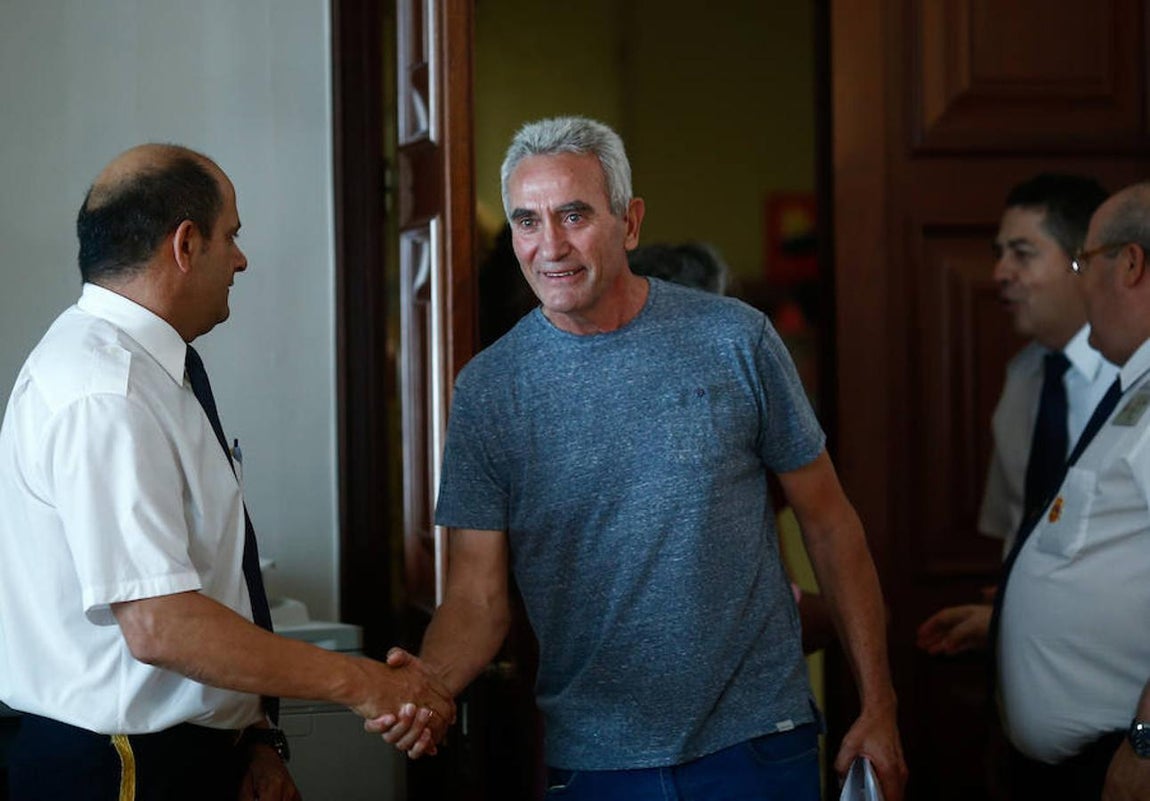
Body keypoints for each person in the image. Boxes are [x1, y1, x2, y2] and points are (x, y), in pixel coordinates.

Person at [374, 116, 907, 800]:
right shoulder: (490, 389)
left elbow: (831, 524)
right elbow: (477, 595)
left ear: (629, 222)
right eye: (527, 221)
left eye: (573, 215)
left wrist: (880, 704)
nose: (551, 245)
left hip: (757, 742)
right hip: (595, 761)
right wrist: (427, 685)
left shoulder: (736, 340)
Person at [0, 144, 454, 801]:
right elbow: (161, 624)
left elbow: (211, 582)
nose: (240, 258)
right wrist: (366, 682)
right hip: (124, 768)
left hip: (185, 752)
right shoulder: (104, 391)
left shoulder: (151, 370)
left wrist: (255, 739)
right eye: (231, 235)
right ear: (186, 244)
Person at [993, 182, 1150, 800]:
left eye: (1085, 262)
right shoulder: (1132, 389)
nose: (1082, 284)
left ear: (1131, 263)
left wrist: (1146, 740)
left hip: (1120, 760)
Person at [916, 173, 1113, 657]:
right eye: (999, 253)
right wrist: (1010, 608)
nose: (1000, 272)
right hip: (1026, 669)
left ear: (1080, 263)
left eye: (1022, 254)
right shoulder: (1022, 379)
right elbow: (1015, 531)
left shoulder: (1134, 384)